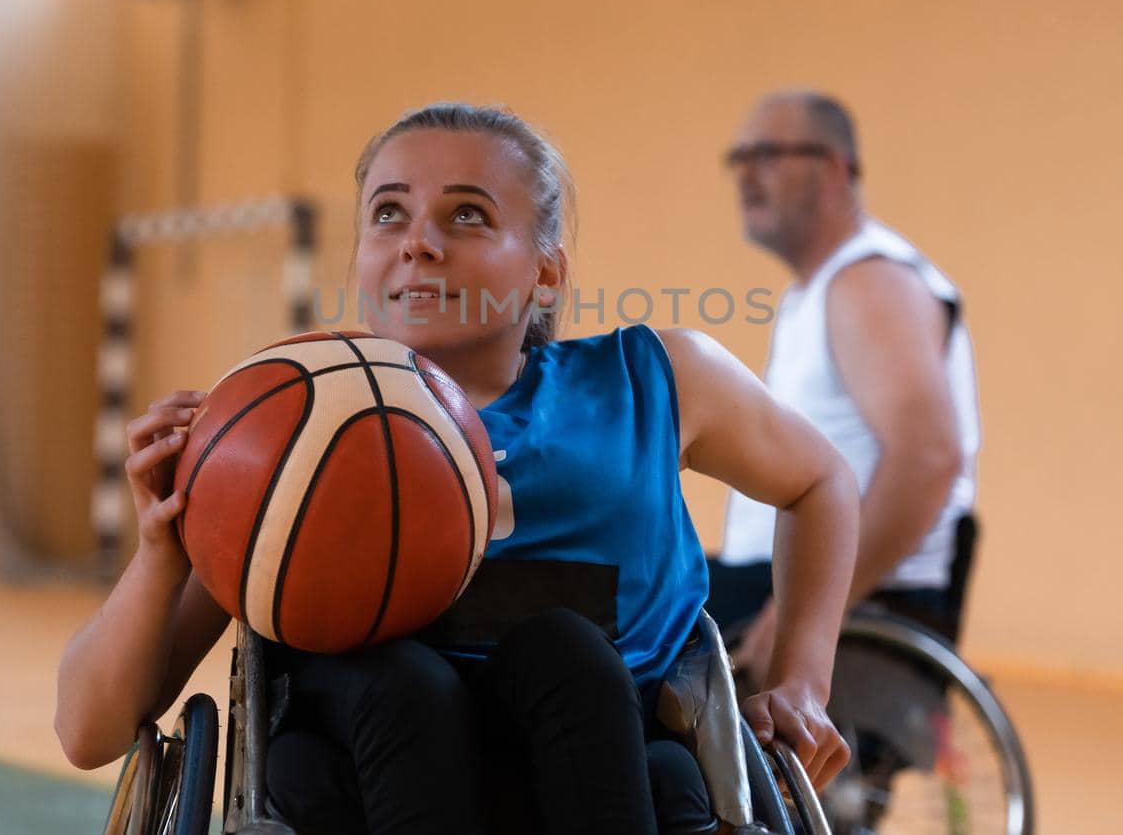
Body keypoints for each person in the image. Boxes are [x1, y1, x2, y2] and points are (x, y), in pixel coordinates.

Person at [55, 102, 858, 835]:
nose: (419, 241)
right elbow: (87, 732)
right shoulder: (282, 436)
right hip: (364, 771)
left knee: (569, 654)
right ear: (364, 255)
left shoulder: (657, 379)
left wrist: (802, 679)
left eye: (466, 215)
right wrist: (163, 553)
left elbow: (823, 482)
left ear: (546, 268)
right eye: (389, 213)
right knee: (401, 681)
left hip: (607, 760)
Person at [710, 89, 981, 686]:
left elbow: (930, 457)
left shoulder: (869, 282)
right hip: (784, 580)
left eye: (769, 155)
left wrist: (800, 615)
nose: (747, 174)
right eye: (740, 158)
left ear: (835, 168)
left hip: (846, 599)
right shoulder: (823, 288)